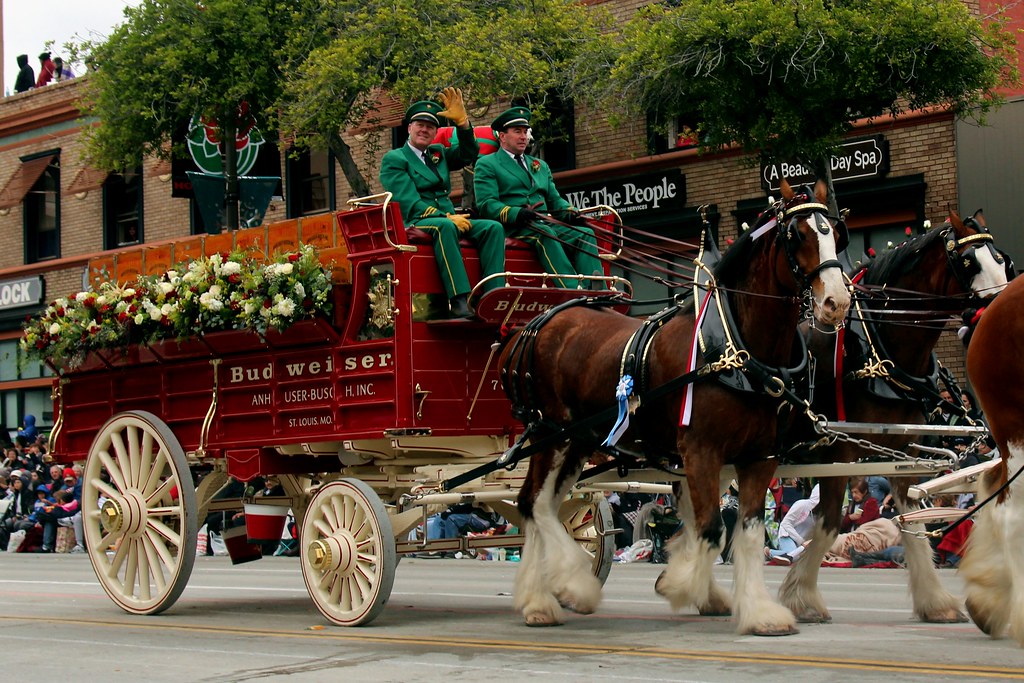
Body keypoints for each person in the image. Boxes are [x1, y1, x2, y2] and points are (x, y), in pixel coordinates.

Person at [379, 88, 506, 319]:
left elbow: (469, 153)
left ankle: (493, 294)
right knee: (445, 227)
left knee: (493, 228)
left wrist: (463, 125)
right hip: (416, 220)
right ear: (409, 128)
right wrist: (446, 216)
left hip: (448, 217)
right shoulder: (395, 158)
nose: (424, 130)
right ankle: (458, 300)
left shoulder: (437, 153)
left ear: (435, 132)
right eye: (420, 125)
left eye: (430, 127)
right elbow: (408, 201)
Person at [473, 106, 603, 289]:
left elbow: (555, 199)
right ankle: (573, 288)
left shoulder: (540, 165)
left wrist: (571, 212)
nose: (523, 137)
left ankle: (597, 289)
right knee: (545, 234)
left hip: (542, 223)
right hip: (514, 226)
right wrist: (516, 213)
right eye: (517, 131)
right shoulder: (487, 164)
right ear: (502, 136)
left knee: (585, 234)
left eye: (525, 132)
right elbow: (487, 204)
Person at [766, 483, 820, 565]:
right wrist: (802, 542)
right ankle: (769, 552)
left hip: (803, 544)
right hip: (787, 536)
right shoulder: (801, 505)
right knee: (794, 555)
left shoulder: (821, 516)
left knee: (801, 556)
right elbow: (785, 524)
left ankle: (783, 554)